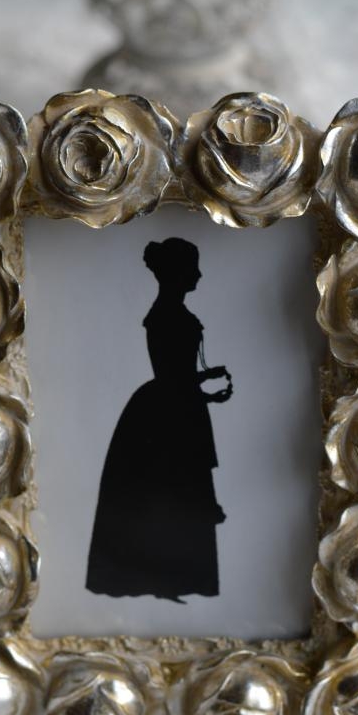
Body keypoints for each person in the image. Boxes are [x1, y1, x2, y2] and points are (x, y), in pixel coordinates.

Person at [86, 237, 232, 602]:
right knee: (166, 489)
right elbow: (172, 375)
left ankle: (173, 578)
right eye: (193, 268)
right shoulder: (166, 314)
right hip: (170, 413)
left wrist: (206, 381)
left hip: (173, 405)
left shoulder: (170, 311)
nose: (199, 275)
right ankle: (161, 576)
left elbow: (178, 375)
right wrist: (205, 391)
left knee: (172, 489)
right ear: (179, 273)